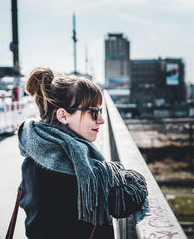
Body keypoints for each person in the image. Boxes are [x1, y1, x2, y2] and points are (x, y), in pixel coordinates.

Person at [18, 67, 148, 239]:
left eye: (100, 111)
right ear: (63, 115)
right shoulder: (78, 170)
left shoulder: (35, 154)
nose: (101, 120)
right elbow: (125, 201)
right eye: (93, 112)